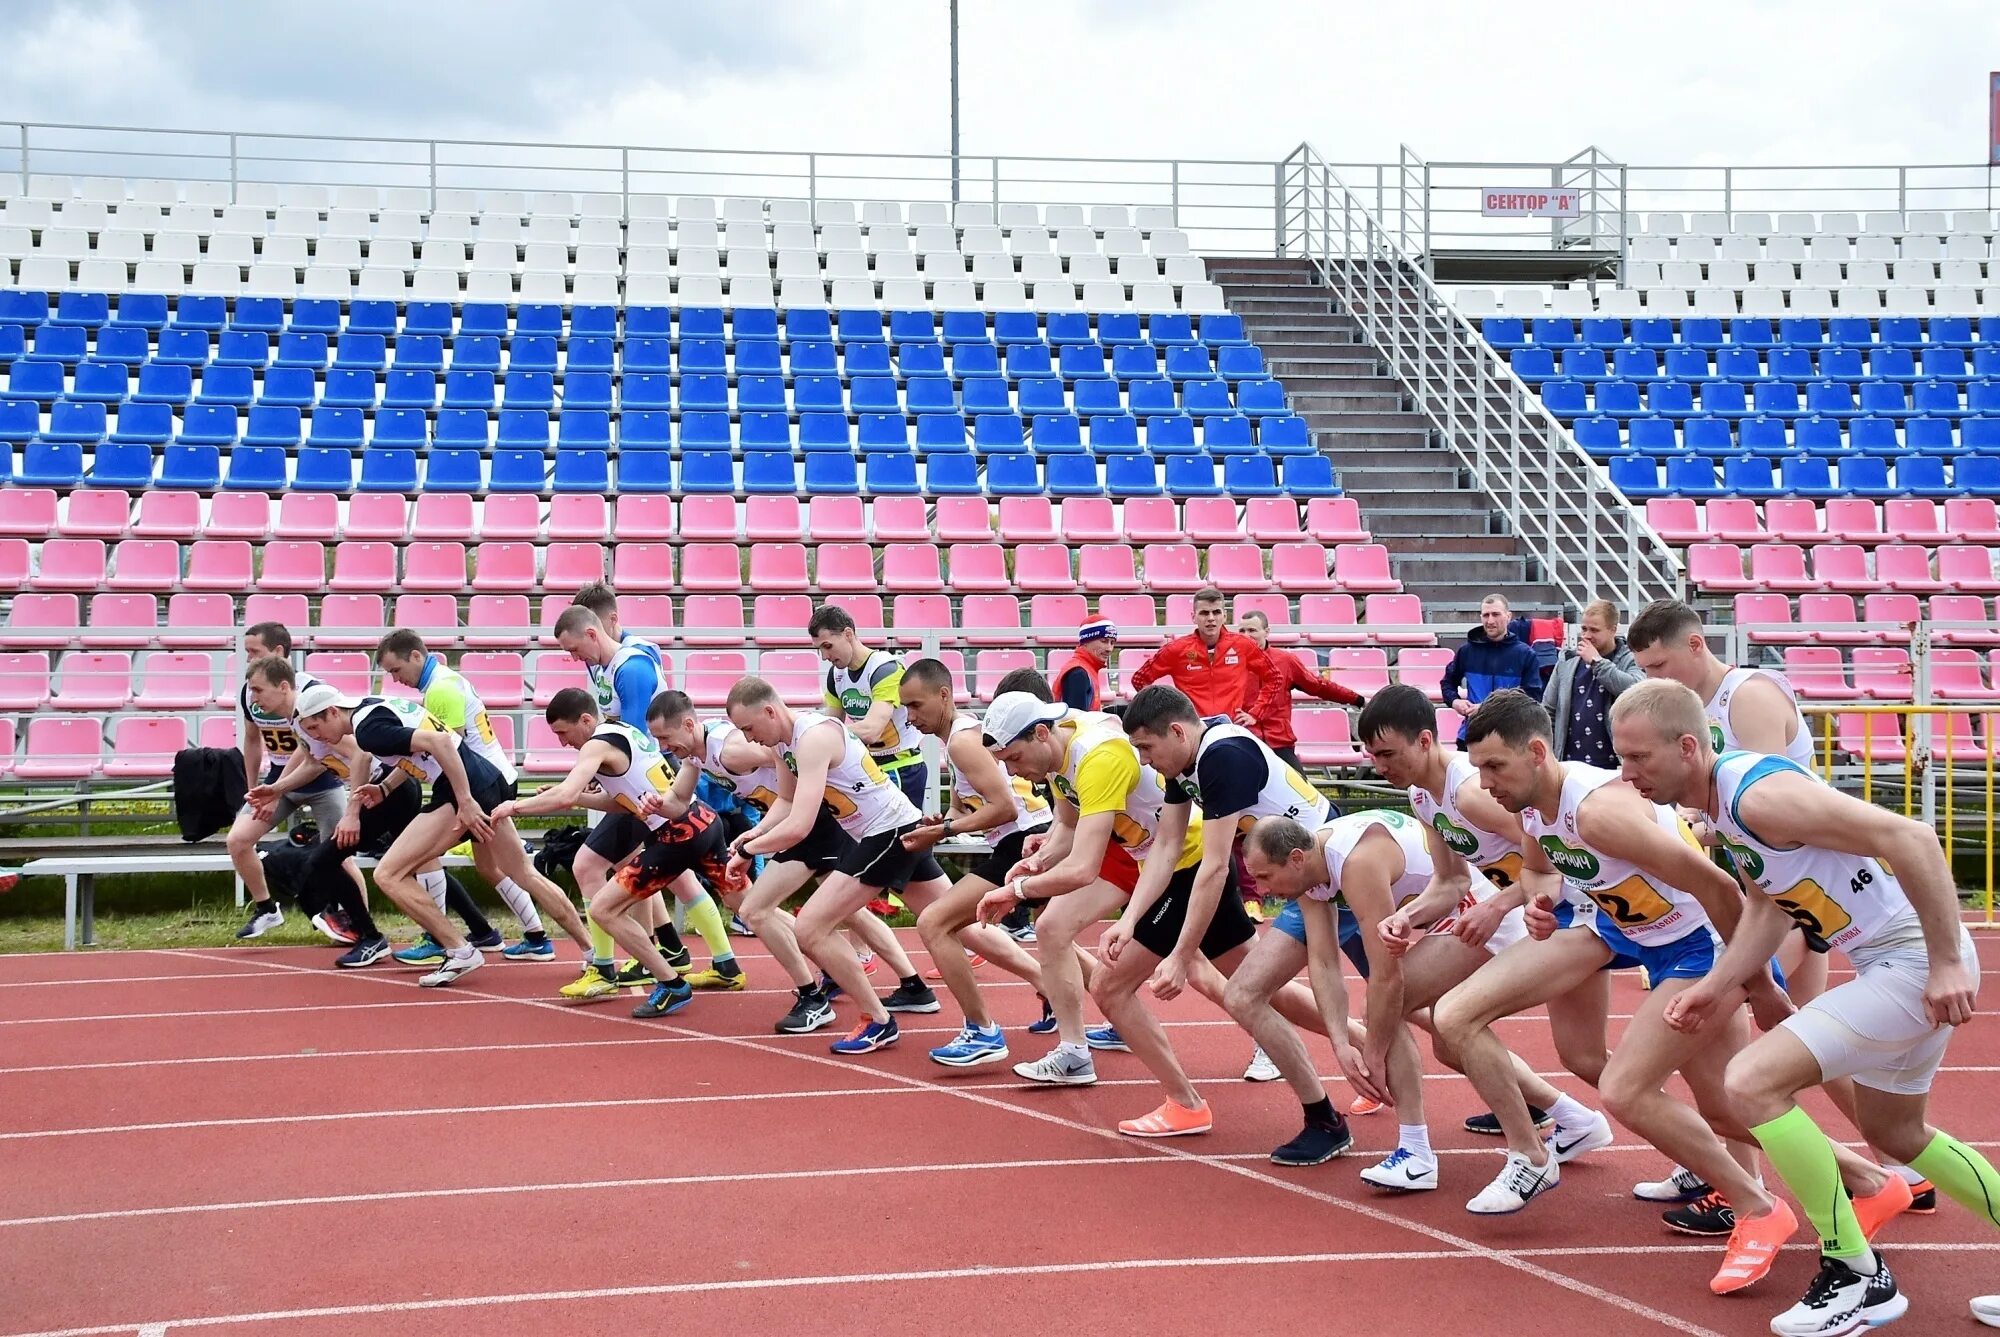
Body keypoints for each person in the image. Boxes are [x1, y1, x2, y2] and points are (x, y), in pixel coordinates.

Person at [1608, 678, 1980, 1332]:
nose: (1626, 771)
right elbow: (1765, 904)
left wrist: (1947, 959)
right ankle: (1857, 1267)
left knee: (1748, 1081)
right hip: (1889, 961)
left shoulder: (1757, 794)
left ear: (1689, 747)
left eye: (1639, 757)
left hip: (1912, 959)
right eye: (1621, 756)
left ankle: (1856, 1273)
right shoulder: (1723, 811)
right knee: (1897, 1134)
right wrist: (1726, 984)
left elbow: (1915, 837)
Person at [1432, 690, 1806, 1295]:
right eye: (1476, 769)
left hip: (1700, 947)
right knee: (1719, 1105)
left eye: (1495, 767)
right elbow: (1538, 867)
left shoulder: (1601, 811)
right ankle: (1860, 1180)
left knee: (1642, 1091)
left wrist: (1753, 982)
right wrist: (1541, 899)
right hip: (1636, 935)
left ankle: (1764, 1207)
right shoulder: (1532, 806)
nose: (1485, 784)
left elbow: (1718, 885)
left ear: (1536, 752)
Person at [1624, 595, 1901, 1220]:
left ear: (1697, 645)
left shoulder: (1747, 697)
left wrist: (1691, 826)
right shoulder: (1692, 710)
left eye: (1660, 665)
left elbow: (1758, 798)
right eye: (1644, 670)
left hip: (1796, 887)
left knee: (1738, 1028)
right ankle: (1890, 1160)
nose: (1653, 681)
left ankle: (1846, 1166)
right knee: (1805, 1039)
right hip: (1769, 886)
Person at [1119, 684, 1359, 1161]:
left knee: (1409, 1000)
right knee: (1246, 994)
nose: (1144, 761)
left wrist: (1181, 955)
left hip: (1339, 876)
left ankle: (1526, 1100)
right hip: (1302, 884)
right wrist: (1128, 923)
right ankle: (1325, 1118)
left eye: (1147, 747)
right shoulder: (1186, 762)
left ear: (1176, 731)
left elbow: (1213, 867)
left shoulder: (1222, 757)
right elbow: (1166, 847)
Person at [977, 689, 1231, 1136]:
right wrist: (1038, 861)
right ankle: (1075, 1052)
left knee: (1202, 977)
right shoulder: (1057, 750)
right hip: (1141, 855)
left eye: (1014, 759)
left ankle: (1200, 1093)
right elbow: (1069, 826)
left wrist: (1016, 889)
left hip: (1180, 862)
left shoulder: (1097, 757)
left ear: (1040, 733)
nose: (1012, 772)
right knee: (1053, 927)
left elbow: (1081, 868)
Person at [645, 689, 914, 1033]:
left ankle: (813, 997)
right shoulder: (695, 756)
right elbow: (679, 801)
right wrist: (657, 806)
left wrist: (761, 836)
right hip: (798, 821)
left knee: (757, 910)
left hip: (811, 822)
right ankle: (912, 984)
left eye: (665, 737)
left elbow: (783, 757)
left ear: (687, 725)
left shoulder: (734, 749)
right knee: (845, 914)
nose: (663, 746)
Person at [291, 684, 580, 989]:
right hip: (486, 780)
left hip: (462, 790)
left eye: (316, 726)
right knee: (521, 872)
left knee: (389, 874)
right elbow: (416, 754)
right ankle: (593, 953)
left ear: (334, 711)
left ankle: (457, 948)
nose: (316, 735)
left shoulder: (367, 729)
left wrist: (465, 801)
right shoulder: (373, 706)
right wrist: (386, 788)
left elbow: (441, 742)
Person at [725, 677, 943, 1053]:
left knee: (810, 927)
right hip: (881, 830)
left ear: (770, 711)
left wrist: (748, 853)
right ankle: (1049, 985)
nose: (748, 738)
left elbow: (800, 826)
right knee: (961, 922)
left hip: (888, 829)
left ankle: (877, 1019)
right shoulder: (782, 743)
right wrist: (753, 835)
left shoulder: (813, 738)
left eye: (749, 728)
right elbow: (787, 801)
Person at [490, 689, 715, 1018]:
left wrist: (515, 805)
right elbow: (618, 801)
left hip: (676, 834)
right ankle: (720, 963)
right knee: (751, 906)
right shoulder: (619, 731)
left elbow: (566, 794)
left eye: (563, 733)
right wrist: (578, 797)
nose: (563, 743)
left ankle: (665, 980)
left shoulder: (597, 743)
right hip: (694, 822)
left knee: (604, 907)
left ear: (585, 720)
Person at [897, 657, 1061, 1067]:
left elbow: (1004, 808)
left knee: (934, 922)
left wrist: (946, 833)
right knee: (1058, 937)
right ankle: (1111, 1009)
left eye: (916, 705)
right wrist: (939, 824)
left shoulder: (962, 741)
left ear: (944, 695)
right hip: (1023, 838)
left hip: (1024, 840)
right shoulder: (961, 736)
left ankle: (983, 1030)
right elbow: (966, 809)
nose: (910, 716)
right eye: (905, 707)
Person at [556, 602, 719, 999]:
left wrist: (602, 779)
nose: (573, 658)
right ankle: (692, 954)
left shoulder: (632, 668)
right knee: (664, 871)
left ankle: (608, 966)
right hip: (634, 781)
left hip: (646, 783)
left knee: (591, 864)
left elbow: (633, 740)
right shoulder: (604, 665)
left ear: (595, 630)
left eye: (574, 649)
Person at [375, 630, 550, 962]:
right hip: (494, 778)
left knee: (424, 854)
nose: (396, 680)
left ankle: (437, 938)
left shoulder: (440, 690)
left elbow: (446, 752)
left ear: (416, 656)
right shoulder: (445, 682)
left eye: (396, 670)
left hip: (480, 785)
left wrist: (459, 800)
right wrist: (386, 786)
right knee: (492, 867)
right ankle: (537, 936)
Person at [240, 656, 401, 967]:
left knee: (404, 867)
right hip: (378, 791)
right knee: (332, 861)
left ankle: (371, 934)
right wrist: (276, 789)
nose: (253, 698)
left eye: (258, 690)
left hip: (385, 789)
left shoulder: (309, 714)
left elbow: (361, 757)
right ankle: (369, 934)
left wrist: (352, 811)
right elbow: (314, 764)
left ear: (283, 687)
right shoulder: (298, 722)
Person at [225, 622, 348, 940]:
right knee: (238, 840)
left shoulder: (310, 693)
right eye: (246, 652)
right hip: (279, 777)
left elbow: (314, 752)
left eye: (255, 652)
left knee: (339, 853)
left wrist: (280, 788)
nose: (249, 658)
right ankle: (266, 908)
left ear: (278, 652)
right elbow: (252, 740)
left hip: (321, 778)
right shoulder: (252, 693)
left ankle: (354, 920)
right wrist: (252, 789)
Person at [807, 605, 929, 811]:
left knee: (901, 841)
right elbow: (833, 722)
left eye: (828, 646)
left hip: (900, 767)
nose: (824, 656)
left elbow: (872, 730)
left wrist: (813, 732)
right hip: (868, 766)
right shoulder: (836, 675)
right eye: (819, 649)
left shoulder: (885, 669)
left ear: (848, 634)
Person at [1128, 586, 1285, 726]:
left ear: (1224, 616)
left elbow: (1275, 678)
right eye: (1204, 613)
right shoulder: (1176, 649)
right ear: (1193, 617)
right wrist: (1164, 714)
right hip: (1193, 731)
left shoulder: (1242, 645)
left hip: (1230, 728)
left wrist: (1255, 714)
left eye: (1216, 612)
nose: (1211, 618)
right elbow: (1140, 679)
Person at [1236, 607, 1365, 772]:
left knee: (1301, 792)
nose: (1246, 635)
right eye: (1242, 631)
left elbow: (1318, 686)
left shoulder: (1286, 661)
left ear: (1266, 632)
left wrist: (1355, 698)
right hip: (1244, 743)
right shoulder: (1230, 663)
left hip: (1279, 743)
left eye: (1252, 630)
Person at [1540, 599, 1640, 767]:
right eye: (1584, 629)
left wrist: (1597, 662)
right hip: (1570, 766)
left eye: (1594, 630)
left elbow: (1635, 691)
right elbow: (1548, 710)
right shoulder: (1567, 661)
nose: (1586, 635)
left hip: (1615, 767)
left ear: (1613, 630)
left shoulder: (1630, 659)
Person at [1439, 594, 1542, 744]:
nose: (1490, 621)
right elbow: (1447, 682)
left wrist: (1488, 708)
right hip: (1472, 735)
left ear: (1508, 616)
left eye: (1496, 614)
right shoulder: (1467, 651)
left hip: (1511, 738)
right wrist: (1455, 702)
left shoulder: (1525, 654)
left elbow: (1532, 696)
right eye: (1486, 615)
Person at [1050, 618, 1116, 711]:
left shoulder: (1086, 669)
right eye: (1104, 641)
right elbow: (1076, 721)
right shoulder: (1078, 673)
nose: (1109, 648)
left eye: (1112, 643)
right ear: (1085, 642)